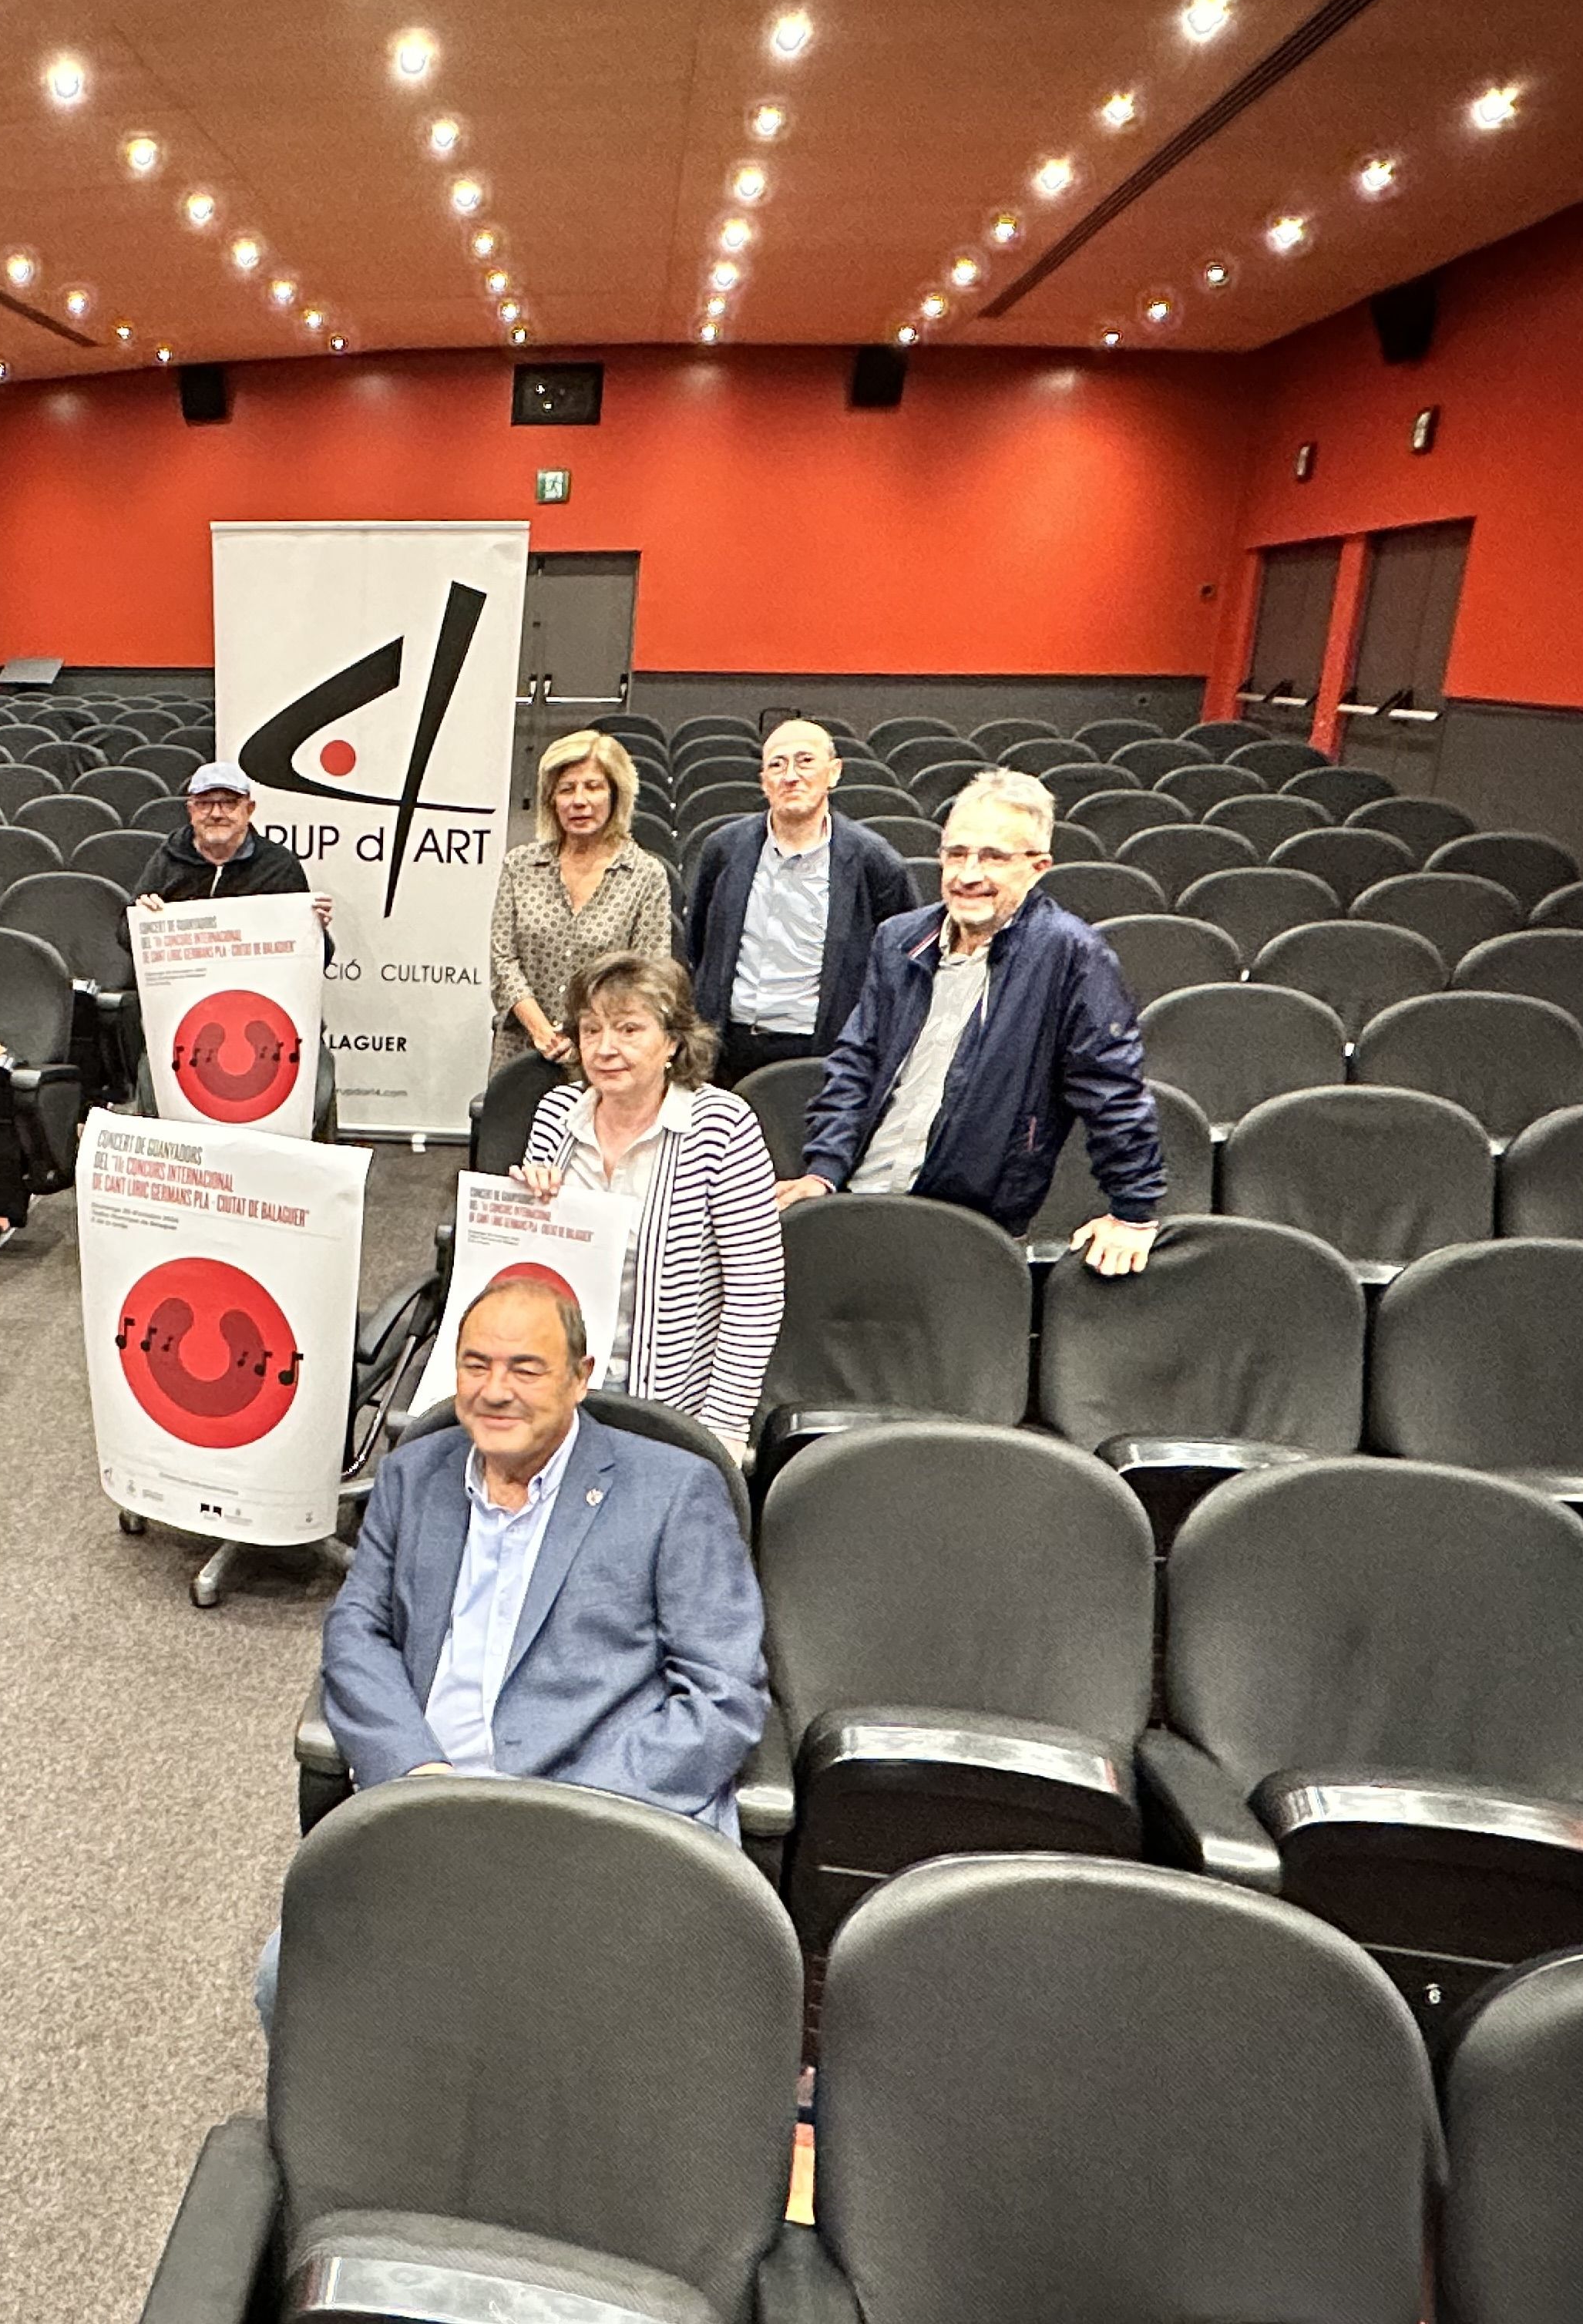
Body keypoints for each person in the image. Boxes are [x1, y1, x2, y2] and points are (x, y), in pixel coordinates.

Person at [259, 1276, 767, 2025]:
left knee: (575, 2022)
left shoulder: (674, 1491)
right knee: (293, 1982)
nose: (496, 1391)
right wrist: (414, 1769)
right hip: (439, 1807)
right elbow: (357, 1631)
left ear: (580, 1378)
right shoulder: (413, 1474)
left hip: (601, 1820)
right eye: (475, 1364)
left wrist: (577, 1809)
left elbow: (724, 1697)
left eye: (526, 1368)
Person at [777, 769, 1164, 1274]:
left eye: (994, 857)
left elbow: (1112, 1088)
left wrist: (1132, 1212)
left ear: (1038, 866)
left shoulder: (1070, 955)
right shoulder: (900, 939)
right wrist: (824, 1171)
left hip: (970, 1226)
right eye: (955, 854)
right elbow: (857, 1063)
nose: (967, 874)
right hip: (859, 1199)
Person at [511, 953, 783, 1455]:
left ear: (674, 1042)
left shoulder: (722, 1127)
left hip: (673, 1411)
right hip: (557, 1396)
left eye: (629, 1030)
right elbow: (528, 1275)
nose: (605, 1049)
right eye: (591, 1031)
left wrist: (720, 1427)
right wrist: (528, 1208)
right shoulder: (556, 1115)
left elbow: (755, 1297)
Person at [677, 718, 917, 1087]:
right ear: (763, 781)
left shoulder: (876, 862)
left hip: (822, 1052)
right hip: (727, 1048)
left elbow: (900, 967)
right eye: (777, 764)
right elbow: (701, 945)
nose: (791, 776)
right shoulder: (723, 849)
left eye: (805, 761)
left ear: (834, 773)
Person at [486, 731, 674, 1068]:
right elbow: (504, 961)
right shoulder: (520, 865)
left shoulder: (646, 875)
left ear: (616, 795)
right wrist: (542, 1032)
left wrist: (587, 1037)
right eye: (567, 789)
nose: (579, 801)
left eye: (593, 787)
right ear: (551, 800)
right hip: (522, 1050)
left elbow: (648, 975)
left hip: (607, 1055)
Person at [132, 762, 336, 930]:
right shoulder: (169, 857)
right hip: (185, 979)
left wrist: (314, 929)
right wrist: (141, 918)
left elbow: (318, 957)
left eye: (229, 803)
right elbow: (125, 935)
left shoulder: (278, 865)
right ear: (191, 810)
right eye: (205, 803)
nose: (217, 814)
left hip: (256, 979)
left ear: (249, 809)